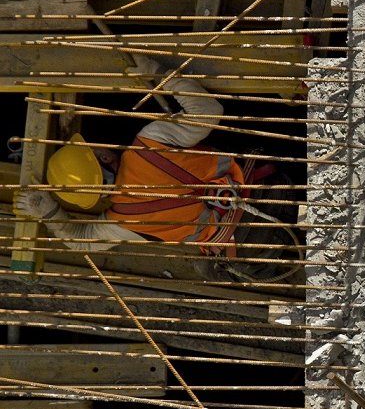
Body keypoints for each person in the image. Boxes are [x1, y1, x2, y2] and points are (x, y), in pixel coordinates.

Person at [14, 55, 280, 262]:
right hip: (271, 194)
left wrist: (49, 212)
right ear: (104, 156)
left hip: (248, 244)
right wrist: (155, 73)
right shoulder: (149, 143)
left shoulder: (122, 223)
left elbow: (79, 241)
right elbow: (209, 110)